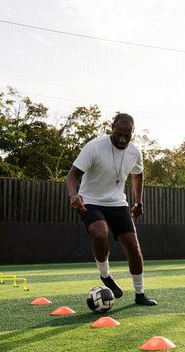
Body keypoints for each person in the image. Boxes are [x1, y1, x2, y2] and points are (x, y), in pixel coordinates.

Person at [65, 113, 157, 305]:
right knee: (100, 233)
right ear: (112, 127)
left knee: (133, 245)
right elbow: (72, 176)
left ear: (133, 132)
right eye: (119, 135)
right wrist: (74, 194)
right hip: (90, 200)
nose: (122, 139)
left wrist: (138, 202)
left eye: (127, 136)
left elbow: (137, 175)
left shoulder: (135, 152)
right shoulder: (94, 146)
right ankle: (105, 276)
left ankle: (140, 294)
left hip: (117, 202)